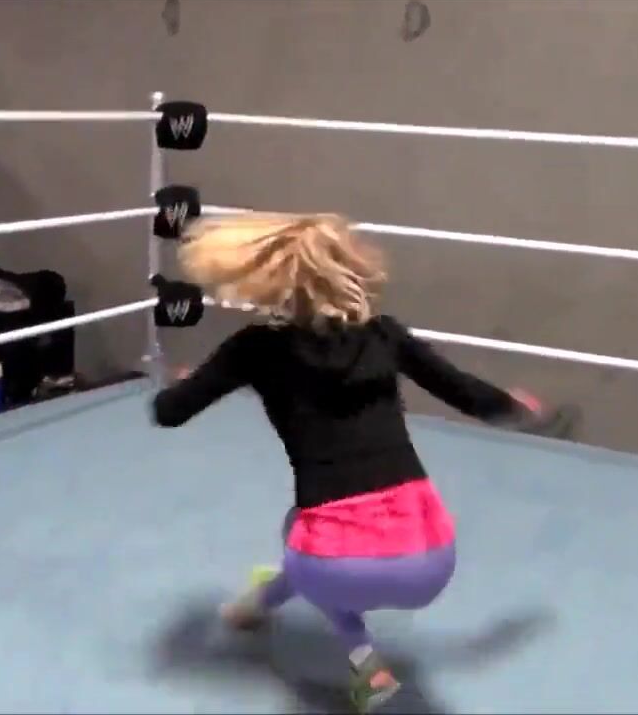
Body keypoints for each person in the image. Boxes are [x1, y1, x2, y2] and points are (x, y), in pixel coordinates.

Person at [150, 212, 546, 713]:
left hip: (336, 565)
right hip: (432, 559)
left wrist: (184, 383)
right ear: (351, 268)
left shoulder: (254, 347)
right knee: (313, 541)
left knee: (308, 544)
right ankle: (256, 604)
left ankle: (366, 667)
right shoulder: (383, 335)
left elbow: (169, 412)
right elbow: (467, 392)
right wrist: (513, 406)